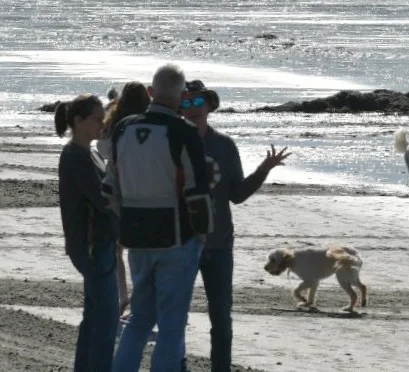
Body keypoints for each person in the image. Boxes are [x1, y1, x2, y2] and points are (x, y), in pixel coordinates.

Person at [104, 64, 213, 372]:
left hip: (136, 236)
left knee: (140, 317)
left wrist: (124, 220)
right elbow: (198, 193)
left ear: (152, 92)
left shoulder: (123, 129)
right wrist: (202, 236)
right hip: (176, 238)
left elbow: (110, 187)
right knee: (171, 323)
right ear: (181, 97)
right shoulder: (184, 132)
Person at [180, 82, 289, 372]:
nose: (192, 110)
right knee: (174, 316)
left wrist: (263, 170)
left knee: (221, 319)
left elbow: (237, 195)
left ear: (209, 105)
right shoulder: (172, 141)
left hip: (218, 244)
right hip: (182, 243)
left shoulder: (224, 146)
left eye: (197, 103)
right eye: (186, 104)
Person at [56, 93, 120, 372]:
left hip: (96, 245)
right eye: (97, 119)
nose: (102, 123)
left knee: (95, 316)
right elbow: (101, 198)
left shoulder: (89, 153)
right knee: (106, 318)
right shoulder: (75, 155)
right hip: (91, 246)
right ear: (79, 121)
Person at [98, 82, 151, 314]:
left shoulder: (114, 122)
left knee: (118, 249)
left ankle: (122, 295)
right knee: (141, 249)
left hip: (116, 186)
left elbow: (102, 149)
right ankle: (140, 296)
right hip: (144, 185)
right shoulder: (149, 120)